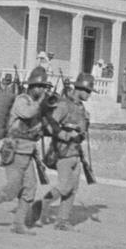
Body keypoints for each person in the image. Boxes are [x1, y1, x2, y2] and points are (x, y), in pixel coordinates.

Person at [0, 65, 52, 235]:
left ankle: (19, 224)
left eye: (44, 87)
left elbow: (39, 127)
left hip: (28, 153)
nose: (42, 90)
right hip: (15, 151)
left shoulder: (37, 105)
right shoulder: (22, 100)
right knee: (12, 189)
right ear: (31, 86)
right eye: (39, 86)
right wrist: (40, 103)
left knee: (30, 187)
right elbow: (27, 114)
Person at [38, 72, 92, 231]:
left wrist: (86, 123)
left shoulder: (81, 108)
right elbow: (50, 126)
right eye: (88, 91)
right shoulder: (63, 105)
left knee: (73, 188)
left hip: (76, 153)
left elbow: (82, 131)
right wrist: (65, 134)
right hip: (63, 152)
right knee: (64, 187)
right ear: (80, 88)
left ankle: (62, 221)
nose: (89, 95)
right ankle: (42, 204)